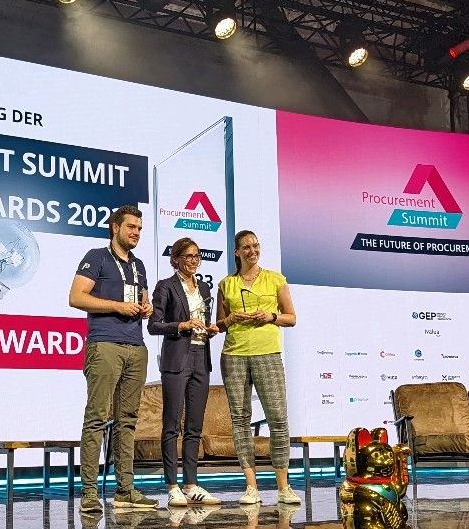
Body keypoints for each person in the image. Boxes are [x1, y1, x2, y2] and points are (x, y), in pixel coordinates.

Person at [69, 205, 156, 510]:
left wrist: (148, 307)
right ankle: (90, 493)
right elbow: (76, 297)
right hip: (104, 344)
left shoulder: (140, 265)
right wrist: (117, 307)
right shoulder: (97, 257)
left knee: (128, 420)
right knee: (96, 418)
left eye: (140, 229)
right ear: (115, 227)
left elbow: (145, 300)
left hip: (136, 346)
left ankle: (125, 489)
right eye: (131, 227)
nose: (136, 233)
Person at [215, 229, 300, 506]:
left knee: (278, 419)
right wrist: (232, 318)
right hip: (234, 355)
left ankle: (283, 487)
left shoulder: (276, 279)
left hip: (268, 354)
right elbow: (218, 325)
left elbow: (291, 318)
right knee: (240, 419)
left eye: (256, 245)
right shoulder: (225, 284)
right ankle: (251, 487)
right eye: (246, 247)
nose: (252, 250)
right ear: (237, 252)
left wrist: (271, 316)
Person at [148, 236, 221, 511]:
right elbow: (154, 325)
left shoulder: (203, 287)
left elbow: (204, 321)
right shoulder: (165, 286)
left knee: (195, 426)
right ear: (175, 259)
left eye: (197, 256)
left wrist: (209, 329)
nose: (193, 260)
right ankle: (172, 486)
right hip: (177, 358)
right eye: (188, 256)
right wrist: (182, 325)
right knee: (171, 424)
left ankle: (191, 484)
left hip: (201, 357)